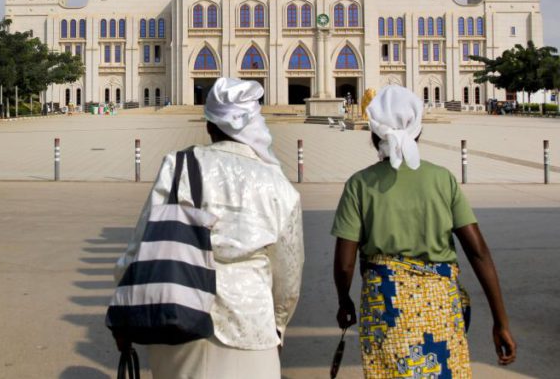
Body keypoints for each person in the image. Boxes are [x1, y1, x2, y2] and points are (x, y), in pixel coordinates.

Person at [113, 77, 304, 379]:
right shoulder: (278, 185)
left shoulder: (178, 166)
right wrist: (277, 327)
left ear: (209, 126)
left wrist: (123, 315)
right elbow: (288, 275)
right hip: (250, 324)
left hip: (178, 315)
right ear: (255, 125)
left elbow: (140, 245)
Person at [331, 85, 516, 378]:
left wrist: (344, 301)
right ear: (418, 131)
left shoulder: (359, 185)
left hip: (385, 309)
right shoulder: (443, 180)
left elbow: (345, 263)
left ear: (373, 134)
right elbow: (477, 251)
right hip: (440, 307)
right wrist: (500, 321)